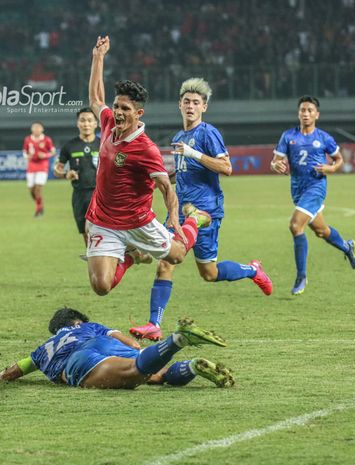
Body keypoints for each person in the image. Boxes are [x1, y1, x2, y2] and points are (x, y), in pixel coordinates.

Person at [130, 78, 273, 341]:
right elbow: (183, 174)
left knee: (210, 273)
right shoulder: (179, 137)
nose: (191, 106)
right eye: (186, 101)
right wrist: (158, 180)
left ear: (204, 107)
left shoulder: (208, 133)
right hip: (180, 212)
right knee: (166, 262)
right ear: (179, 105)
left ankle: (253, 270)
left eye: (196, 102)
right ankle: (154, 324)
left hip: (205, 213)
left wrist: (193, 154)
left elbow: (226, 168)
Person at [85, 35, 211, 299]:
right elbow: (97, 98)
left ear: (138, 114)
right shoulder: (108, 123)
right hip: (103, 220)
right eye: (117, 106)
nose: (117, 112)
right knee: (101, 287)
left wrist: (175, 218)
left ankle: (194, 220)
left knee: (176, 256)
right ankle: (131, 256)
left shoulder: (146, 149)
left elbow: (166, 187)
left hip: (138, 222)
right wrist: (98, 57)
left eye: (125, 109)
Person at [0, 307, 234, 389]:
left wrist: (0, 377)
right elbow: (131, 343)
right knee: (156, 376)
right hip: (104, 344)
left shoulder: (43, 350)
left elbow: (13, 372)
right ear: (77, 322)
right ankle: (192, 367)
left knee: (135, 373)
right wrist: (138, 351)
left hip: (79, 361)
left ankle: (178, 340)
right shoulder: (90, 326)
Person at [270, 95, 355, 295]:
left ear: (316, 114)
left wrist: (330, 168)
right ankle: (346, 247)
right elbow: (274, 162)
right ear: (298, 113)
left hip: (316, 188)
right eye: (303, 110)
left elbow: (339, 160)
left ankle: (301, 276)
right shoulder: (288, 136)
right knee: (321, 230)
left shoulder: (324, 138)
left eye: (310, 110)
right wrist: (277, 165)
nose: (306, 113)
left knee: (295, 225)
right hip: (298, 190)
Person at [53, 108, 100, 246]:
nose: (86, 124)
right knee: (85, 234)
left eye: (90, 120)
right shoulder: (69, 146)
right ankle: (92, 263)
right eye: (83, 120)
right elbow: (57, 169)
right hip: (80, 195)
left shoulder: (103, 144)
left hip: (100, 194)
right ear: (77, 123)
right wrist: (65, 174)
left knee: (102, 232)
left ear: (96, 124)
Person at [23, 122, 56, 217]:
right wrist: (27, 156)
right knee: (31, 190)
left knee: (38, 188)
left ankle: (38, 210)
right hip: (31, 166)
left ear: (42, 129)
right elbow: (24, 151)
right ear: (32, 129)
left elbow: (53, 151)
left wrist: (45, 155)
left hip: (42, 166)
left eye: (38, 128)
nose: (37, 129)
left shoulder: (47, 140)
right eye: (35, 128)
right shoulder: (28, 139)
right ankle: (40, 204)